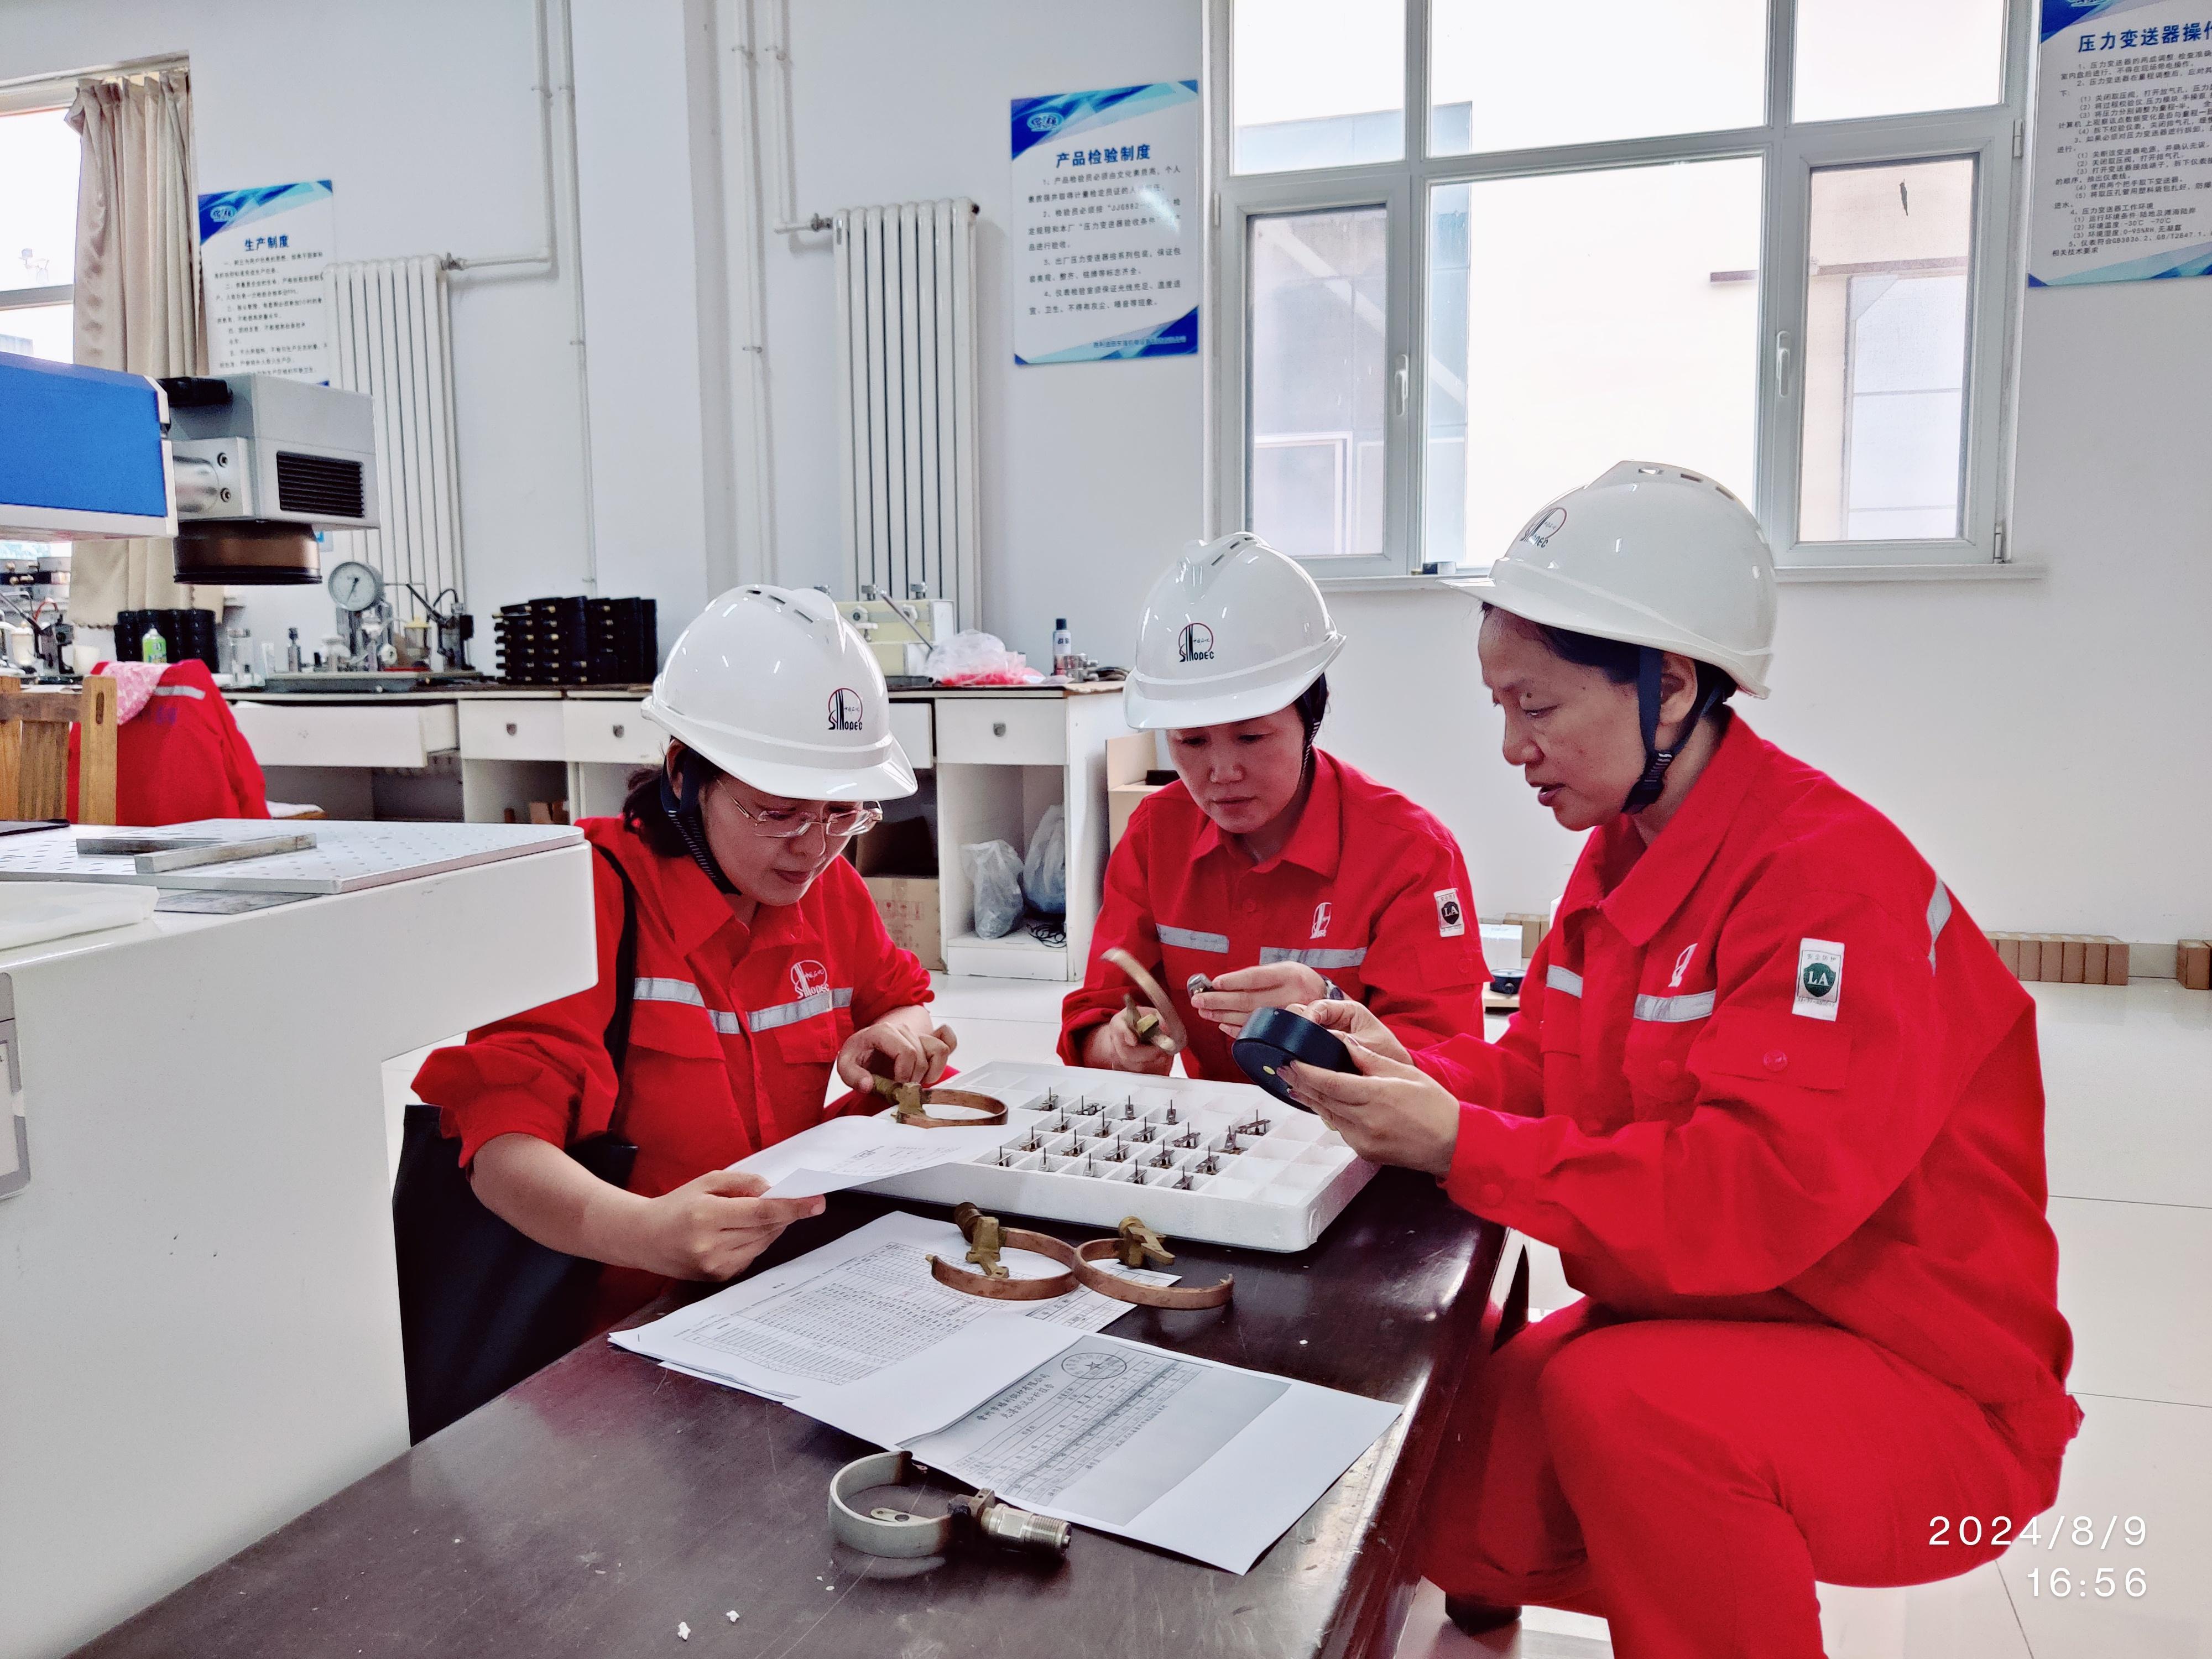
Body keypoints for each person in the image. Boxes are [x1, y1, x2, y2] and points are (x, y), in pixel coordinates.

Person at [1281, 462, 2078, 1659]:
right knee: (1438, 1500)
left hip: (1930, 1392)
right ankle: (1702, 1564)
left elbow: (1743, 1199)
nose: (1511, 746)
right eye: (1499, 705)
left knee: (1630, 1416)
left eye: (1537, 706)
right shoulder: (1621, 854)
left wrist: (1460, 1145)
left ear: (1670, 689)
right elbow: (1540, 1074)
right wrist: (1407, 1073)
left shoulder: (1826, 885)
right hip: (1719, 1323)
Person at [413, 585, 952, 1331]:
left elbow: (903, 998)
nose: (813, 847)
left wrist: (897, 1032)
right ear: (682, 774)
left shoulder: (830, 893)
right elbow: (500, 1144)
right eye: (778, 812)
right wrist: (643, 1233)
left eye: (841, 813)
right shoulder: (589, 895)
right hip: (617, 1314)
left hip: (782, 1286)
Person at [1060, 533, 1489, 1082]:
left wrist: (1330, 1011)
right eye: (1191, 742)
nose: (1221, 772)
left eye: (1251, 738)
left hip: (1357, 1131)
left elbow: (1448, 1071)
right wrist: (1118, 1046)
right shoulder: (1156, 835)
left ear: (1311, 717)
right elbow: (1096, 1016)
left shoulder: (1409, 855)